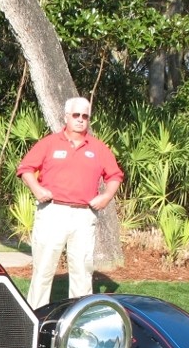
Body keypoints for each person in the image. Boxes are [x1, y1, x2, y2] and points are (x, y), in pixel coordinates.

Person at [17, 96, 124, 309]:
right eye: (76, 115)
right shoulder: (49, 143)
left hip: (84, 216)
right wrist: (37, 189)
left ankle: (79, 316)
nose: (80, 120)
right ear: (66, 117)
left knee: (82, 271)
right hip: (52, 212)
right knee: (43, 269)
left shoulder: (99, 148)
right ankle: (35, 315)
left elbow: (115, 176)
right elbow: (25, 169)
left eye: (85, 116)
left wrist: (106, 197)